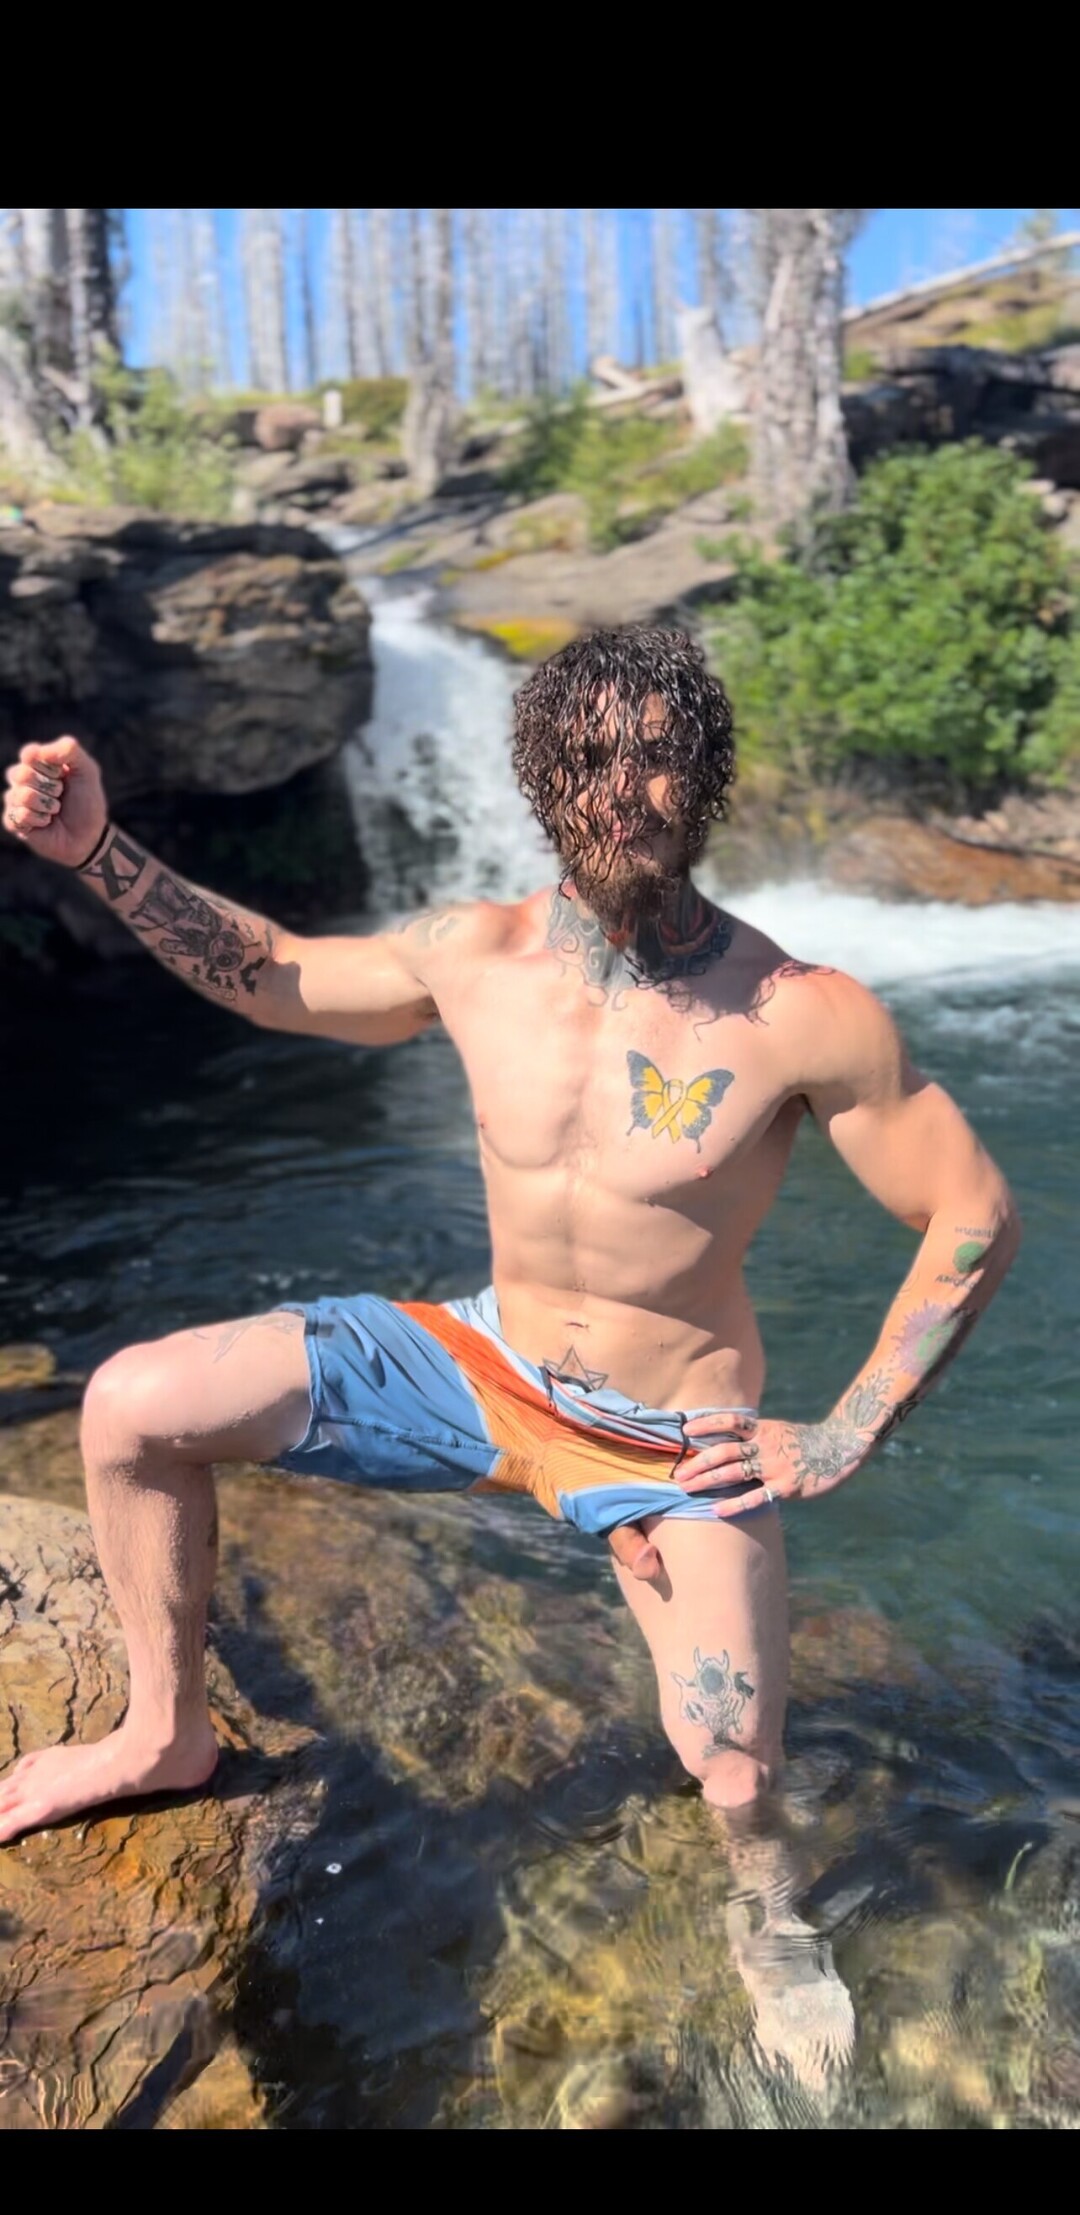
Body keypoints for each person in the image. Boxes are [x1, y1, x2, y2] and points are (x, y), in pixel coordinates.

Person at [1, 627, 1020, 2088]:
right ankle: (163, 1733)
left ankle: (770, 1923)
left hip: (666, 1432)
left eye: (661, 754)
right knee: (130, 1406)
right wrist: (99, 852)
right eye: (595, 758)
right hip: (484, 1362)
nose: (631, 788)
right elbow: (275, 971)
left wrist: (846, 1428)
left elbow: (971, 1212)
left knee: (733, 1765)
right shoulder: (473, 954)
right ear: (545, 780)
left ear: (705, 775)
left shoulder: (801, 1010)